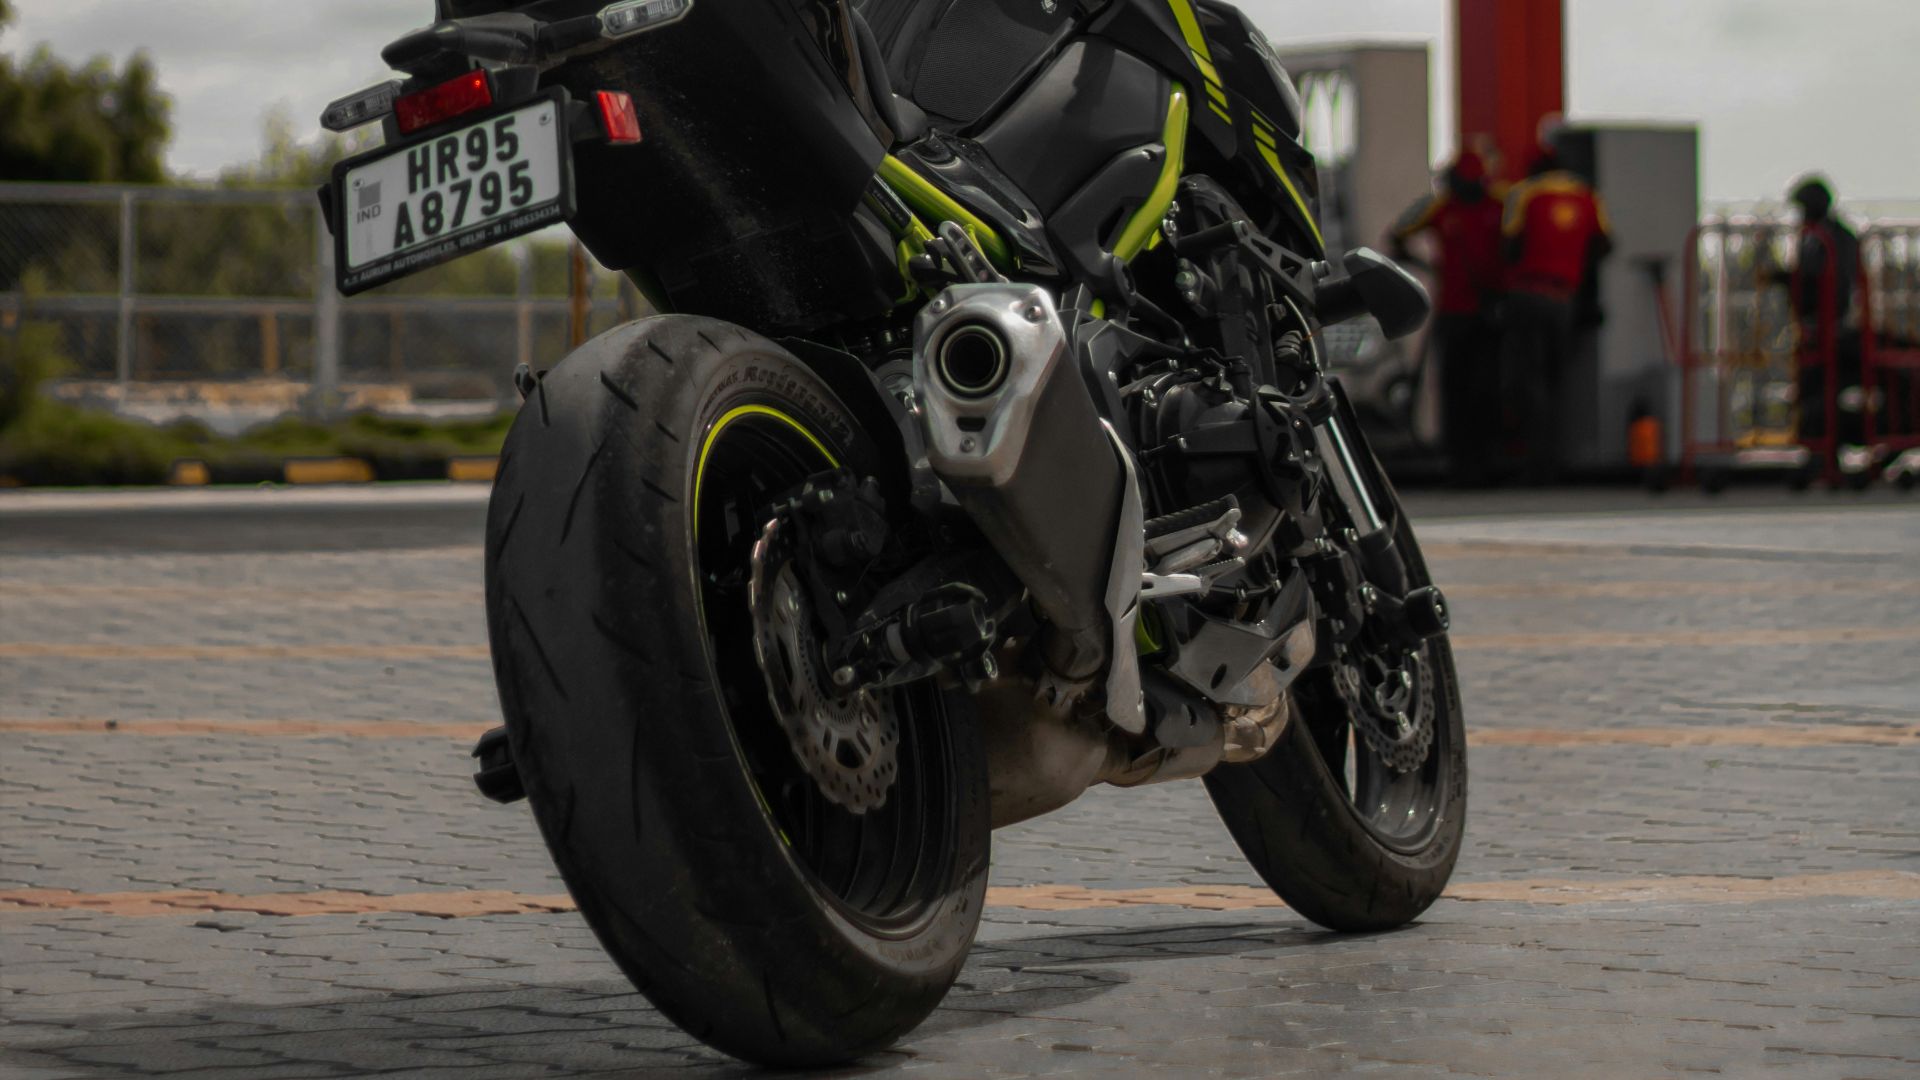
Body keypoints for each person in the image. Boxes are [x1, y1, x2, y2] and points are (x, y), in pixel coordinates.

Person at [1390, 150, 1507, 485]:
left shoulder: (1490, 205)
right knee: (1462, 389)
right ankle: (1465, 463)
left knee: (1480, 389)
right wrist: (1432, 270)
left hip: (1481, 313)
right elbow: (1397, 236)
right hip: (1459, 313)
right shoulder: (1451, 207)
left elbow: (1397, 237)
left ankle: (1479, 462)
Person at [1499, 152, 1613, 483]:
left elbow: (1509, 245)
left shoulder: (1524, 193)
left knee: (1527, 378)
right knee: (1557, 377)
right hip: (1564, 298)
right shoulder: (1587, 196)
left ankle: (1534, 463)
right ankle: (1556, 459)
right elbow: (1606, 243)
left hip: (1528, 294)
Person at [1769, 176, 1864, 454]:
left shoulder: (1837, 237)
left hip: (1834, 324)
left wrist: (1799, 282)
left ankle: (1825, 445)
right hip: (1813, 325)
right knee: (1811, 386)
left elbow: (1835, 282)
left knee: (1825, 383)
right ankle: (1816, 444)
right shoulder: (1811, 237)